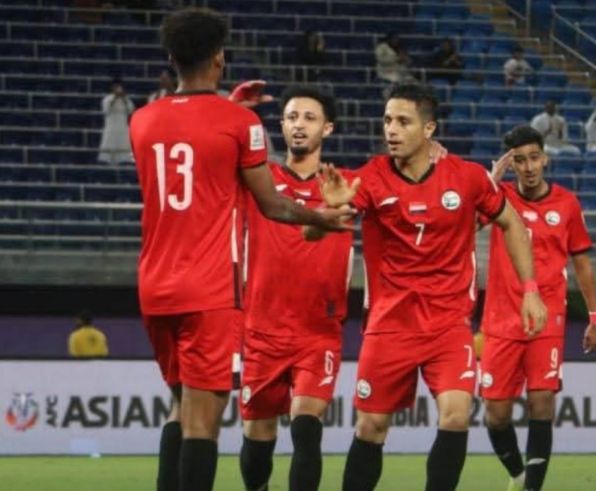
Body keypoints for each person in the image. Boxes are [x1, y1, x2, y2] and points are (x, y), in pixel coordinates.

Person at [128, 9, 352, 491]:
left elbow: (193, 140)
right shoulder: (241, 122)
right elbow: (274, 205)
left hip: (154, 284)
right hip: (208, 289)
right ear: (219, 58)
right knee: (202, 422)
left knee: (178, 405)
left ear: (171, 58)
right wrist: (322, 218)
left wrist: (226, 103)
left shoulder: (141, 120)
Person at [311, 83, 547, 491]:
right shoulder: (369, 177)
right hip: (390, 324)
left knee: (456, 415)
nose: (391, 129)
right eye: (387, 120)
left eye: (403, 121)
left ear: (429, 128)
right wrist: (328, 209)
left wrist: (530, 289)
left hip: (448, 324)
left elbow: (512, 223)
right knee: (371, 427)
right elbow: (313, 235)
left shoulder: (468, 177)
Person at [237, 86, 355, 491]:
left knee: (306, 426)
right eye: (291, 117)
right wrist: (232, 112)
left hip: (317, 332)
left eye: (309, 117)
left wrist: (432, 150)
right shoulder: (260, 180)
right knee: (258, 439)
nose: (299, 125)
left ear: (328, 128)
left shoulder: (346, 184)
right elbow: (207, 155)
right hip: (262, 329)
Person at [480, 126, 596, 491]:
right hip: (501, 317)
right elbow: (465, 226)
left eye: (534, 158)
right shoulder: (499, 197)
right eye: (520, 160)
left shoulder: (566, 203)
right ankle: (518, 473)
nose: (529, 167)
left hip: (548, 316)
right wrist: (490, 182)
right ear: (512, 164)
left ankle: (533, 487)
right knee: (496, 414)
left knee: (542, 402)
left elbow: (582, 265)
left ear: (545, 158)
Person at [98, 78, 135, 164]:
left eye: (119, 86)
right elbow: (106, 110)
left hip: (122, 129)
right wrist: (115, 98)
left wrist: (124, 99)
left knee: (124, 152)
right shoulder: (107, 99)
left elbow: (131, 110)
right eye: (115, 87)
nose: (118, 89)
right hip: (111, 129)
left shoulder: (126, 99)